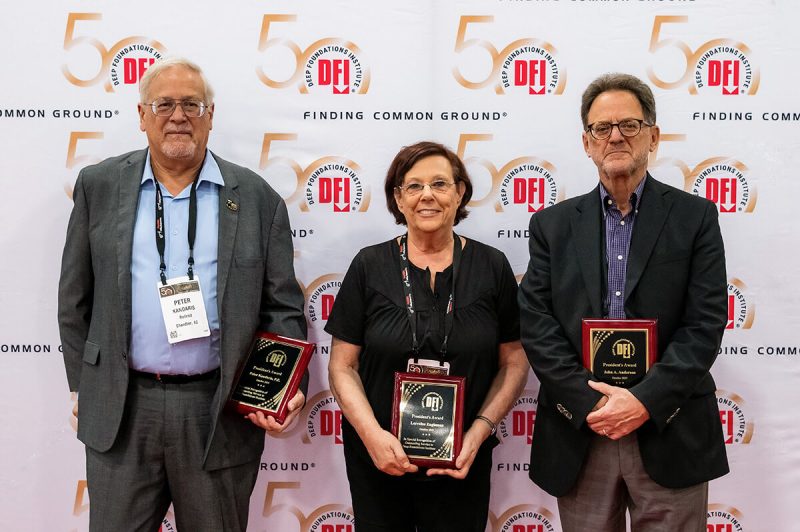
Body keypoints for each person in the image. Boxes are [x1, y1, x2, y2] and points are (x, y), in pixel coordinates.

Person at [57, 57, 307, 532]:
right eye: (164, 104)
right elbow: (74, 298)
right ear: (142, 115)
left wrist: (284, 389)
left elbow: (282, 309)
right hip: (124, 410)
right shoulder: (100, 186)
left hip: (216, 410)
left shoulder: (256, 198)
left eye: (192, 104)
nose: (178, 116)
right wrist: (85, 383)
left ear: (211, 115)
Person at [518, 73, 729, 531]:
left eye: (629, 125)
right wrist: (589, 402)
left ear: (653, 136)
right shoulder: (551, 226)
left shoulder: (695, 218)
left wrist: (643, 400)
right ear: (586, 142)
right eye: (602, 128)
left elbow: (706, 322)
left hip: (669, 425)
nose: (615, 136)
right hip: (582, 429)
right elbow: (537, 324)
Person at [326, 141, 528, 531]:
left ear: (460, 192)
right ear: (398, 199)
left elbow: (514, 361)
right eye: (413, 186)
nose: (427, 196)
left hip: (462, 458)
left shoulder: (492, 266)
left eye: (439, 183)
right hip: (379, 457)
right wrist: (371, 436)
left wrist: (479, 432)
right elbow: (342, 365)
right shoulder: (369, 265)